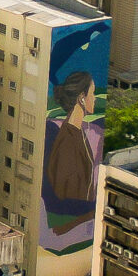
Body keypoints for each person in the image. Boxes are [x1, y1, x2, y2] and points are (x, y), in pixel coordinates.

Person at [39, 66, 103, 251]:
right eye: (92, 93)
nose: (95, 98)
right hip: (67, 223)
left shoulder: (78, 133)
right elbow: (66, 192)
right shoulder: (68, 138)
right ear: (82, 98)